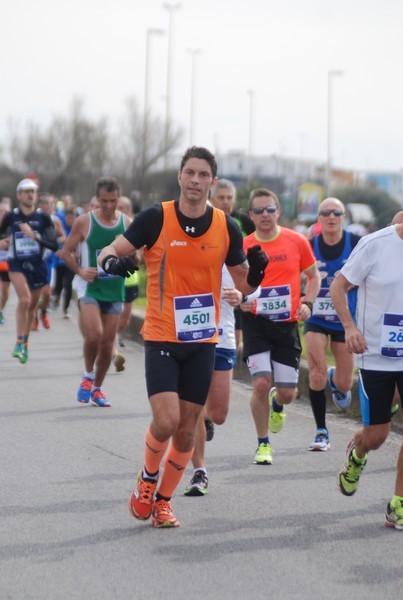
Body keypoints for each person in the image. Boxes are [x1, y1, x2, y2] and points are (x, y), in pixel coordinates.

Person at [97, 146, 268, 528]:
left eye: (203, 175)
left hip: (202, 341)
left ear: (213, 181)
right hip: (161, 335)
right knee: (167, 420)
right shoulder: (156, 217)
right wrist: (112, 261)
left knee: (188, 428)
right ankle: (147, 478)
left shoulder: (227, 226)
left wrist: (255, 274)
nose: (195, 181)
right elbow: (108, 250)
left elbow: (242, 283)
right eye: (189, 173)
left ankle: (162, 502)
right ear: (180, 176)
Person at [330, 220, 403, 530]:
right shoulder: (376, 243)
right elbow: (338, 286)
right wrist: (349, 327)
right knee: (377, 436)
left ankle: (398, 503)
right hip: (376, 356)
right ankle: (358, 454)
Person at [240, 187, 321, 465]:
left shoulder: (296, 241)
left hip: (286, 325)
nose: (265, 215)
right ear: (251, 215)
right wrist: (241, 301)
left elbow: (313, 277)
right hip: (256, 323)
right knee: (261, 383)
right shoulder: (243, 245)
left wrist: (307, 303)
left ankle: (278, 404)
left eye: (270, 209)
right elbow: (231, 283)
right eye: (259, 210)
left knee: (287, 393)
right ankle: (263, 444)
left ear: (278, 211)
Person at [59, 177, 132, 407]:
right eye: (104, 201)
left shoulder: (128, 224)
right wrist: (80, 270)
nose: (109, 206)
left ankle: (97, 389)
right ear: (97, 199)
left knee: (108, 342)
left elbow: (138, 255)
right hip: (91, 288)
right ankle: (87, 376)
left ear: (118, 198)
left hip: (115, 290)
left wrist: (131, 258)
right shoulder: (85, 222)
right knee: (94, 335)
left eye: (113, 200)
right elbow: (65, 252)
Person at [304, 198, 361, 451]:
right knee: (315, 373)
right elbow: (298, 276)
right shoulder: (309, 246)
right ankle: (321, 431)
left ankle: (335, 381)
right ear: (318, 218)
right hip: (316, 318)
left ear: (343, 216)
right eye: (325, 212)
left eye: (336, 212)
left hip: (344, 321)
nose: (331, 216)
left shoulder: (356, 244)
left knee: (346, 384)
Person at [0, 179, 58, 363]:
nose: (29, 195)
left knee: (32, 305)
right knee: (24, 300)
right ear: (19, 196)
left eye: (32, 191)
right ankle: (18, 341)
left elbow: (54, 244)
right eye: (25, 191)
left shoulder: (44, 218)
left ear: (36, 195)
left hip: (38, 266)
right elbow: (1, 235)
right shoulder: (11, 217)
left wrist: (35, 236)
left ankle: (25, 342)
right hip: (16, 263)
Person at [211, 178, 255, 351]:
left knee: (233, 344)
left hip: (236, 281)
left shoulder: (243, 222)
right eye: (221, 198)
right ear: (213, 200)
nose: (225, 202)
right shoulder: (206, 219)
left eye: (229, 198)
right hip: (212, 283)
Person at [111, 195, 137, 372]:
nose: (121, 210)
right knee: (112, 319)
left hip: (130, 280)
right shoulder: (108, 226)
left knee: (124, 321)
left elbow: (141, 257)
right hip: (112, 280)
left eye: (125, 208)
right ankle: (114, 352)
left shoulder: (135, 226)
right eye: (118, 207)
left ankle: (109, 339)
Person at [0, 197, 12, 324]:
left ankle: (0, 310)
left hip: (6, 262)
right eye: (0, 211)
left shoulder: (12, 226)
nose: (2, 214)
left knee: (5, 289)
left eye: (5, 212)